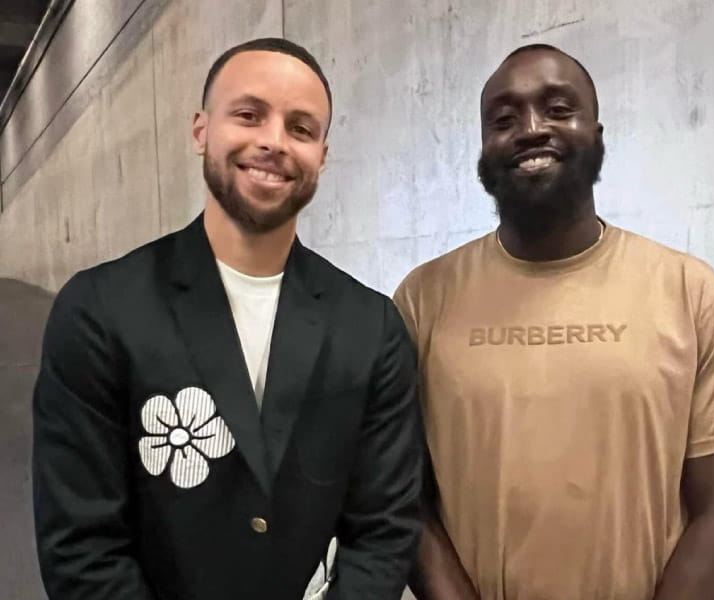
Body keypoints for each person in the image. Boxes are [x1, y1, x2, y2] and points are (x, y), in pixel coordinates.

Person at [394, 43, 714, 600]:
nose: (532, 129)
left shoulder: (689, 292)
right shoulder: (422, 299)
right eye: (503, 120)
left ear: (597, 135)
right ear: (483, 149)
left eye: (558, 109)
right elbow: (401, 494)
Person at [33, 37, 422, 600]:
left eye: (301, 128)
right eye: (248, 115)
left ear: (322, 155)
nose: (273, 141)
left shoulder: (370, 327)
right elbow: (81, 546)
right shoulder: (101, 310)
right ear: (201, 130)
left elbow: (385, 530)